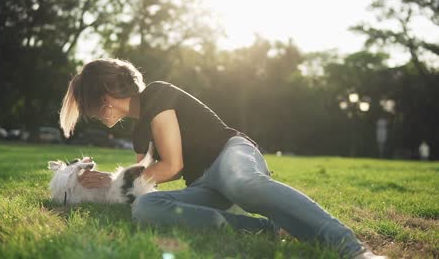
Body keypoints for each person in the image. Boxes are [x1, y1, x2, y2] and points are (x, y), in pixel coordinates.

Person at [59, 58, 386, 259]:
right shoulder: (137, 134)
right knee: (145, 208)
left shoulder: (157, 93)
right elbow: (148, 181)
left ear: (105, 99)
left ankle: (353, 249)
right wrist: (107, 184)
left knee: (241, 184)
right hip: (205, 183)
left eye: (89, 107)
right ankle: (268, 230)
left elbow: (171, 165)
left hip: (232, 154)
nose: (91, 115)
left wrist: (120, 182)